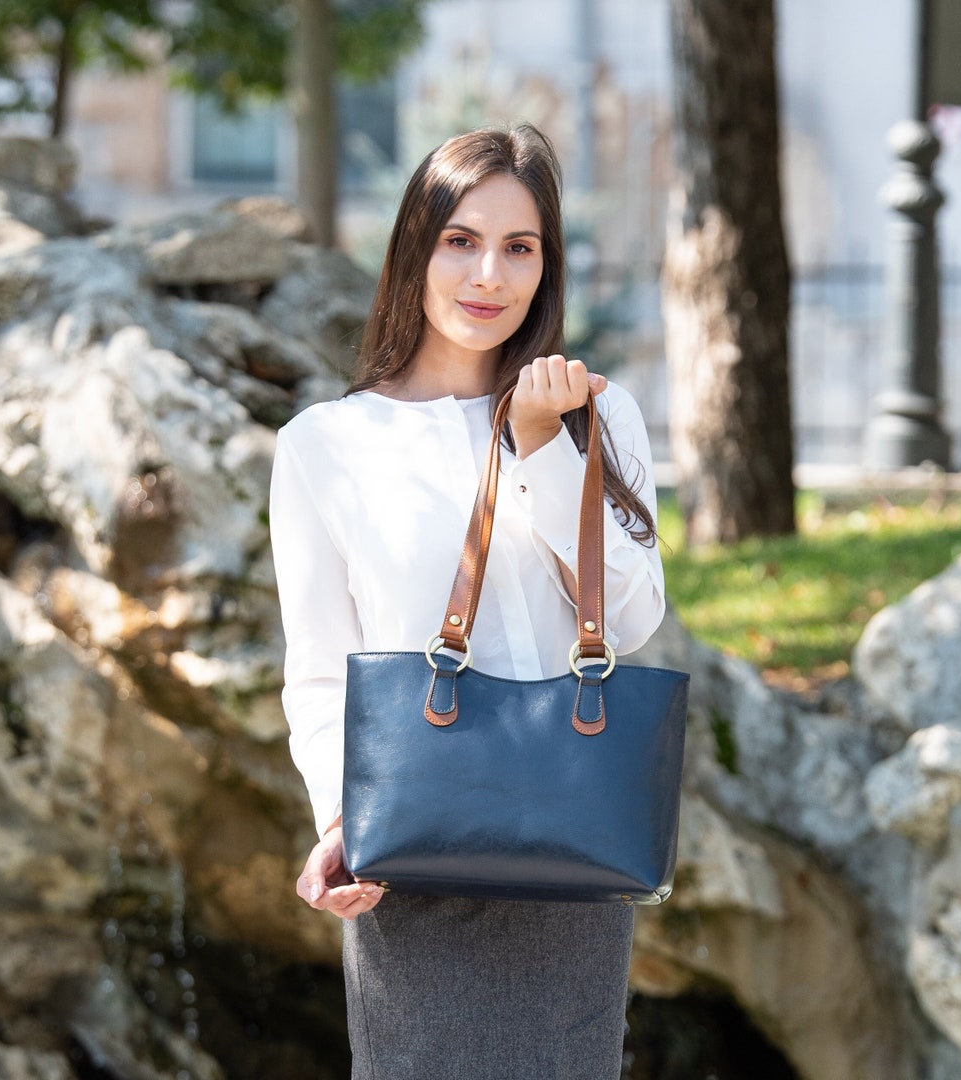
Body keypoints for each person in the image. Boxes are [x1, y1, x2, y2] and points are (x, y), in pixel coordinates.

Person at [269, 123, 666, 1079]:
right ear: (415, 245)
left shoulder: (597, 413)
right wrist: (338, 819)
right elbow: (322, 669)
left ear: (546, 266)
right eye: (461, 239)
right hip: (411, 852)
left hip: (569, 848)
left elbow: (631, 614)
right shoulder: (328, 444)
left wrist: (540, 443)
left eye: (519, 247)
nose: (489, 273)